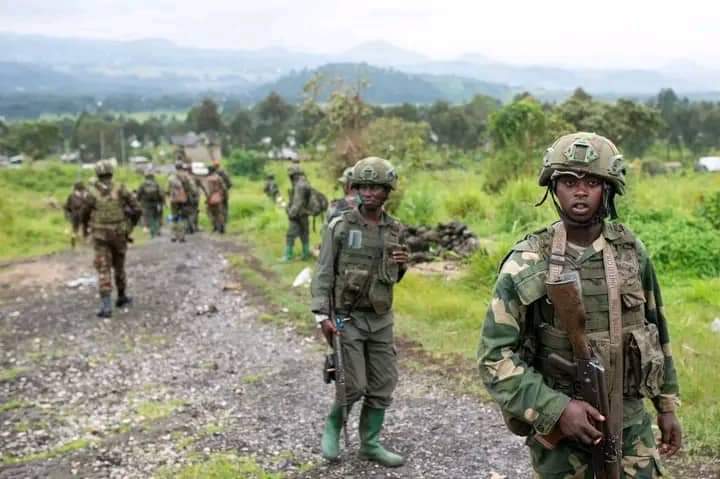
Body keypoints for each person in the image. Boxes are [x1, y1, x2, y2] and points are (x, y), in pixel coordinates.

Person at [478, 132, 682, 478]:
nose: (580, 190)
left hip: (630, 425)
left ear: (609, 188)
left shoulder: (631, 253)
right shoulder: (526, 262)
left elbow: (657, 330)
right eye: (569, 181)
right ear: (554, 189)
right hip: (564, 434)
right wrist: (557, 409)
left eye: (592, 181)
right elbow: (494, 357)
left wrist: (666, 406)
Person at [311, 157, 408, 467]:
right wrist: (321, 316)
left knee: (383, 383)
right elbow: (324, 272)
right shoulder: (340, 226)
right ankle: (333, 426)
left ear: (387, 191)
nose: (368, 193)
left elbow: (393, 276)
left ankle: (370, 443)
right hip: (346, 318)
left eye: (376, 188)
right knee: (353, 384)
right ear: (354, 188)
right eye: (363, 187)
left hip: (380, 318)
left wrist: (402, 263)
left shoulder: (395, 230)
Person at [81, 160, 141, 318]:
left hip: (100, 236)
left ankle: (106, 306)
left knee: (103, 268)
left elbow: (84, 213)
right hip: (119, 234)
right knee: (119, 266)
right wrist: (130, 226)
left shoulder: (91, 192)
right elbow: (137, 209)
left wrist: (85, 228)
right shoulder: (121, 189)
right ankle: (121, 297)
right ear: (111, 173)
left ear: (97, 174)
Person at [284, 164, 312, 260]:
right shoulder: (306, 182)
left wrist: (291, 213)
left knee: (290, 235)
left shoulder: (299, 185)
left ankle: (288, 256)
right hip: (305, 213)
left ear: (294, 175)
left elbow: (297, 202)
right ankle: (306, 254)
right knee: (304, 234)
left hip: (298, 215)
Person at [167, 161, 194, 243]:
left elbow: (168, 190)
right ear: (182, 167)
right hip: (183, 199)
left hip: (173, 199)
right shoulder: (186, 176)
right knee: (183, 217)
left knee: (174, 217)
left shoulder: (171, 177)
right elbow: (190, 188)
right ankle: (182, 237)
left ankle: (174, 236)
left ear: (175, 167)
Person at [136, 170, 165, 238]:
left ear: (145, 177)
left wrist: (138, 200)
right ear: (153, 177)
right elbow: (161, 194)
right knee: (157, 217)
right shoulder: (156, 184)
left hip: (146, 204)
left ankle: (149, 230)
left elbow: (138, 194)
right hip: (156, 203)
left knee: (148, 217)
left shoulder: (142, 184)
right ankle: (158, 230)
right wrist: (162, 202)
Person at [64, 181, 89, 247]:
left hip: (78, 215)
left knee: (77, 230)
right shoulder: (75, 196)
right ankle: (77, 244)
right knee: (79, 229)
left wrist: (67, 215)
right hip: (79, 216)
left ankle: (77, 243)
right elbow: (67, 207)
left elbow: (67, 207)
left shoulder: (72, 196)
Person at [205, 164, 227, 234]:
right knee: (219, 213)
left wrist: (207, 199)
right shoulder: (219, 178)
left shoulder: (208, 179)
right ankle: (222, 228)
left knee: (211, 213)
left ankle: (215, 227)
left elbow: (208, 190)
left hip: (211, 198)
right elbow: (224, 188)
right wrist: (224, 196)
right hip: (218, 196)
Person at [212, 158, 232, 224]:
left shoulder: (212, 174)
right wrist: (226, 188)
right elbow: (229, 183)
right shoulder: (224, 172)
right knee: (225, 206)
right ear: (219, 165)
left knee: (213, 208)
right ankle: (225, 221)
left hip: (213, 194)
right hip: (223, 192)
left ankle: (215, 223)